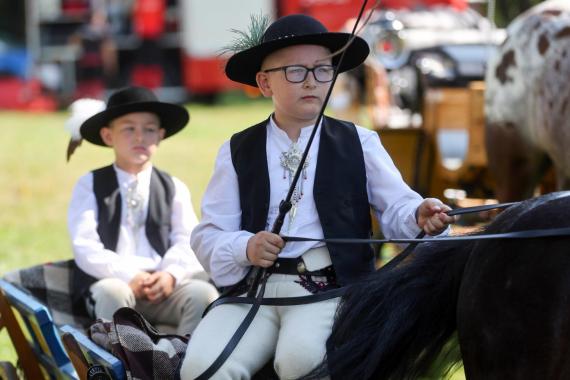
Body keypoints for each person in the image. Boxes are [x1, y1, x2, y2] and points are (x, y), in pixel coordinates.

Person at [181, 14, 456, 379]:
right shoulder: (237, 150)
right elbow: (209, 234)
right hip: (253, 291)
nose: (312, 81)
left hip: (328, 289)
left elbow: (399, 207)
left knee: (303, 361)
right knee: (202, 367)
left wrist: (420, 214)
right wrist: (245, 247)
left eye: (323, 69)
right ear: (265, 83)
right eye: (295, 71)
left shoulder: (360, 142)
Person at [67, 86, 219, 336]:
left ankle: (181, 362)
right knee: (113, 292)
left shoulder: (173, 187)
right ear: (108, 136)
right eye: (129, 129)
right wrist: (129, 275)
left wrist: (170, 274)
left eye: (149, 130)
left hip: (161, 288)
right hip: (111, 282)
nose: (140, 137)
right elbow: (85, 245)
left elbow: (187, 239)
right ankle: (124, 365)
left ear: (159, 136)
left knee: (203, 294)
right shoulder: (89, 184)